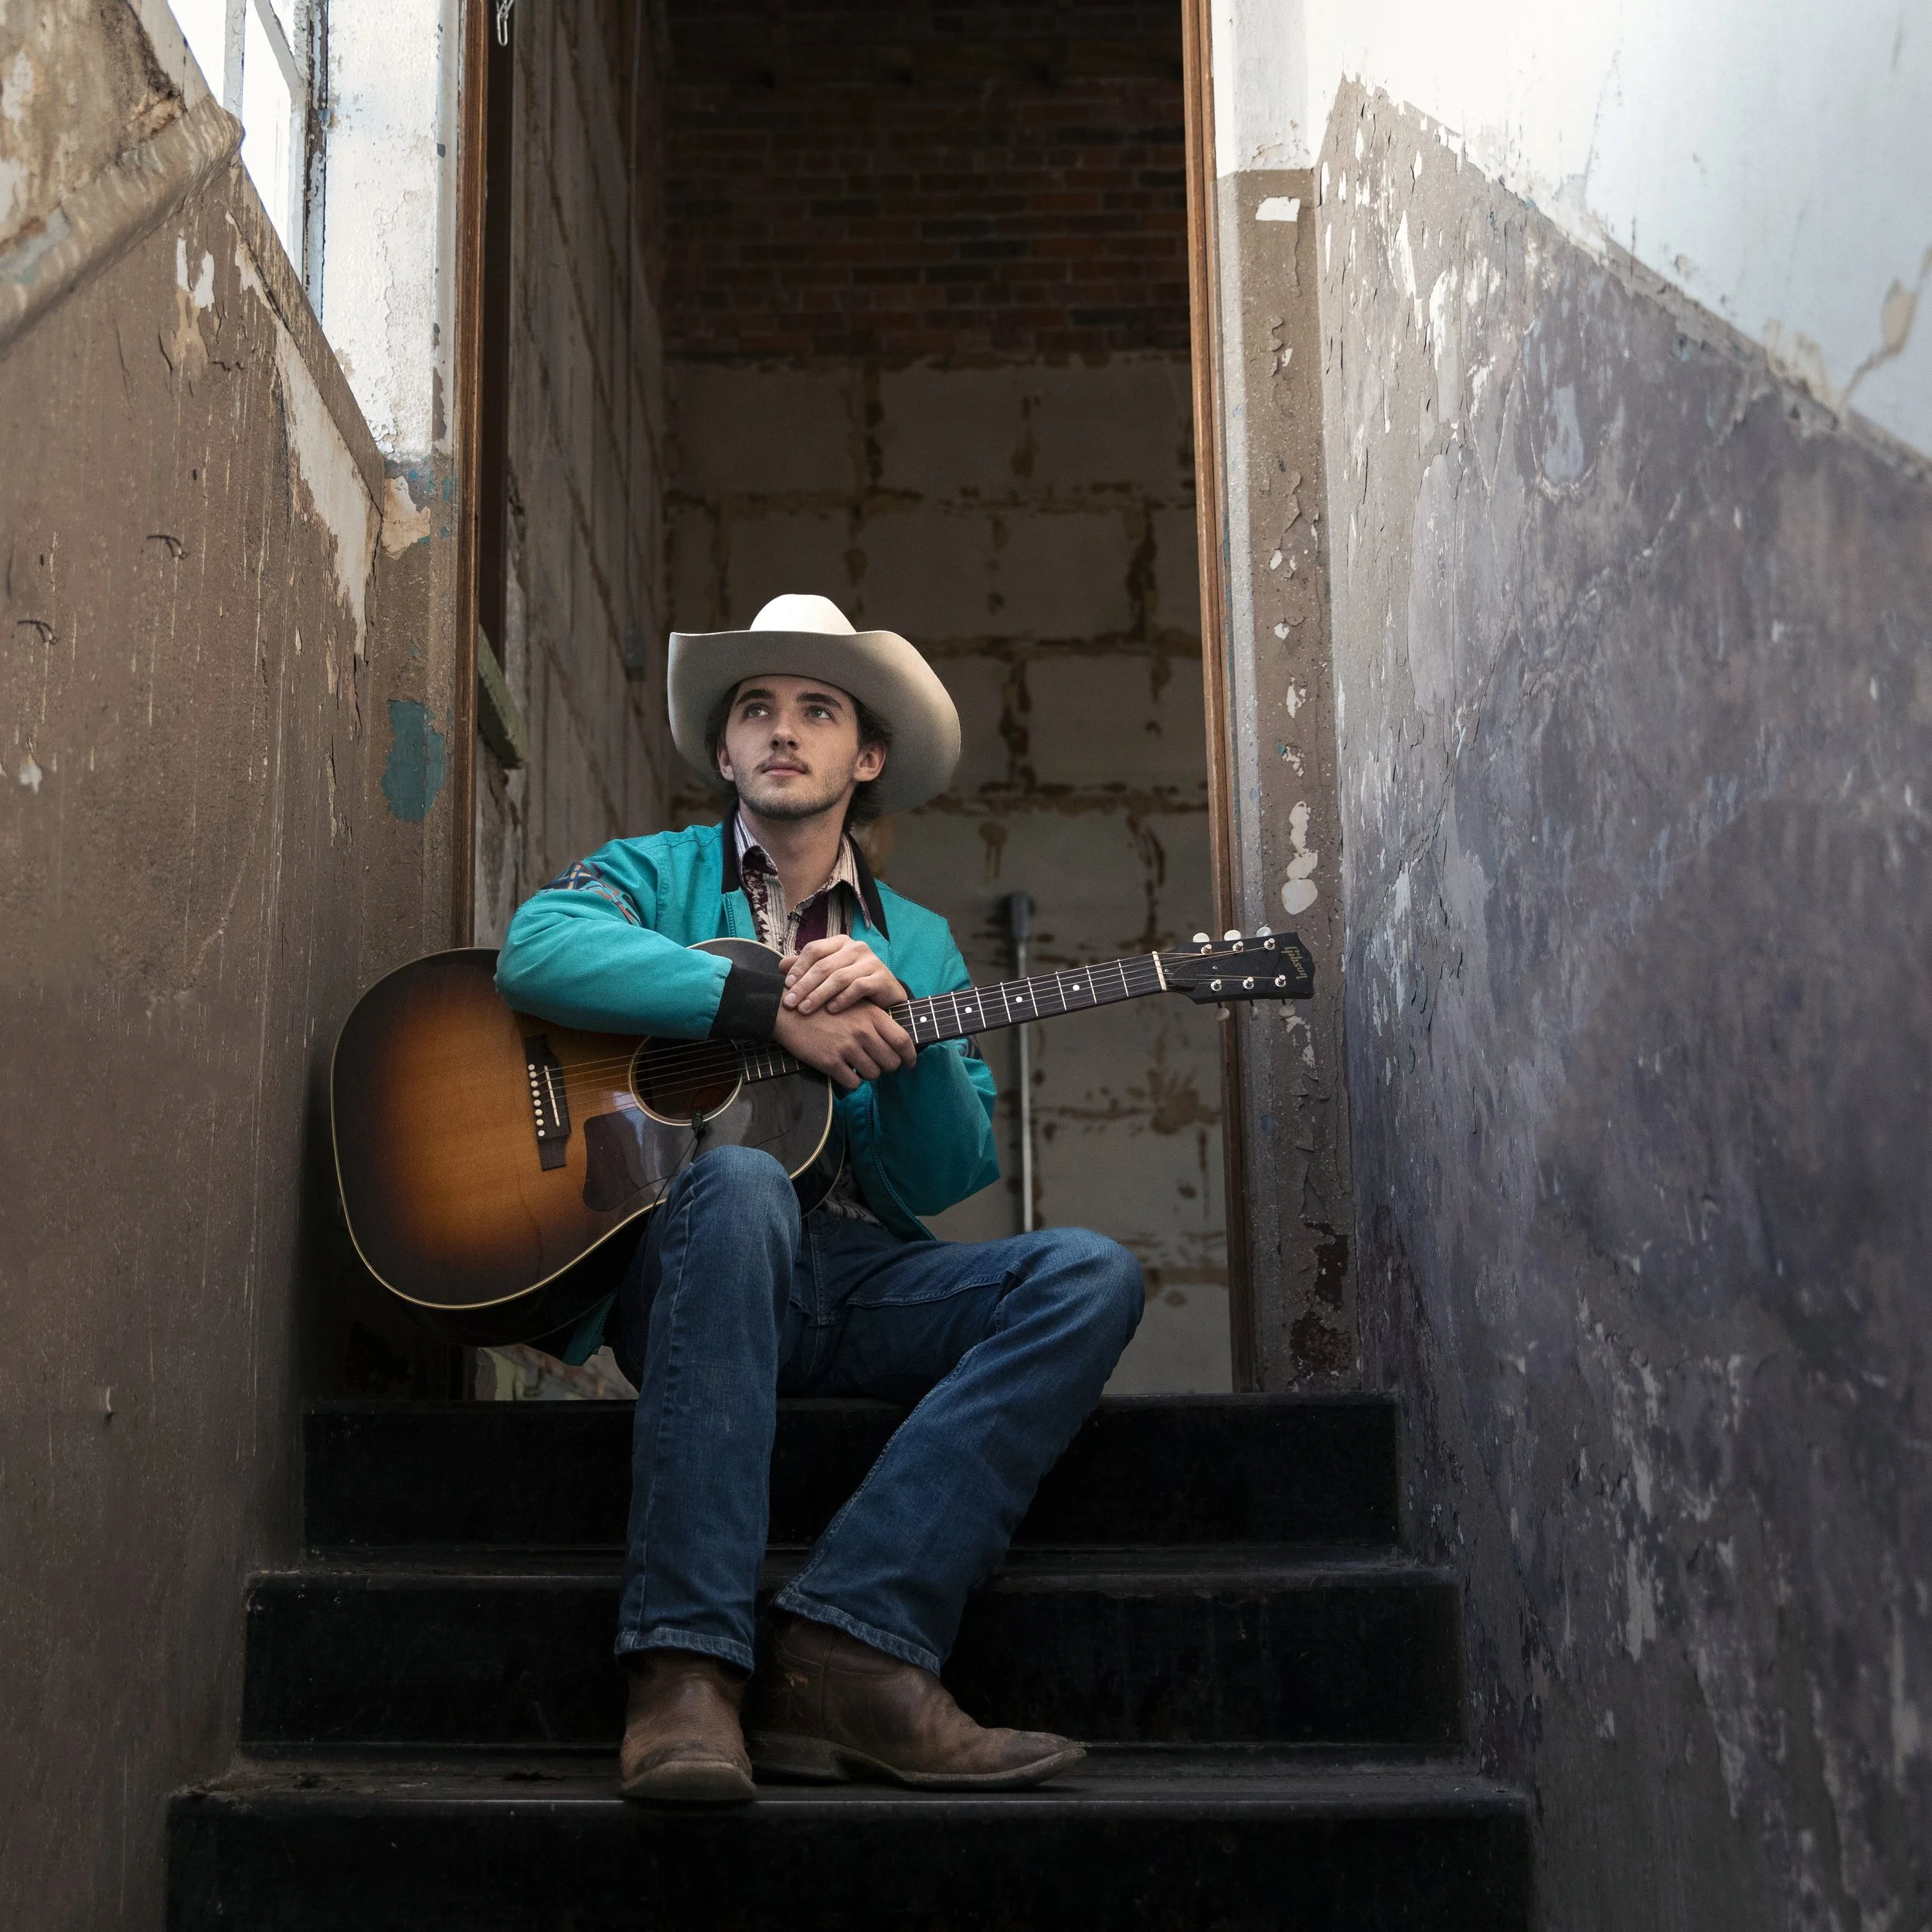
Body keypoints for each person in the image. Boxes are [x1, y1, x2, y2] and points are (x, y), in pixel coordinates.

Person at [495, 592, 1145, 1804]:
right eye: (756, 709)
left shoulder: (922, 944)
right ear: (726, 752)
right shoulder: (655, 872)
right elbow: (537, 951)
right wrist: (758, 1006)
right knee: (740, 1180)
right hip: (692, 1263)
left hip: (849, 1279)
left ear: (868, 756)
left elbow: (945, 1176)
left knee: (1089, 1274)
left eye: (816, 710)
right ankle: (685, 1674)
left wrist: (900, 1017)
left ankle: (853, 1644)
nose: (782, 730)